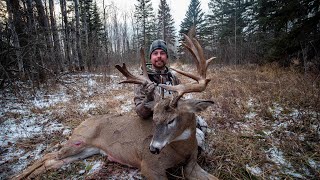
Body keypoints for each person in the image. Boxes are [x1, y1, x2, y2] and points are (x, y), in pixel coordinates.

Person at [134, 39, 208, 151]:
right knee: (198, 138)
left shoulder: (173, 78)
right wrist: (148, 99)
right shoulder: (143, 81)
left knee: (203, 125)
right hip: (156, 122)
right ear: (151, 57)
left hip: (173, 118)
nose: (159, 56)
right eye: (155, 53)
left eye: (162, 53)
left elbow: (179, 103)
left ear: (167, 57)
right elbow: (141, 113)